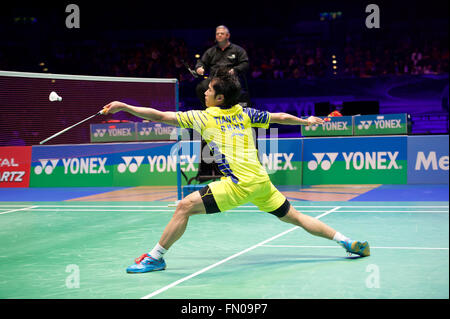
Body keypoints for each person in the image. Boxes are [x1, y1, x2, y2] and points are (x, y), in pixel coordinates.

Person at [102, 72, 370, 274]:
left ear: (219, 98)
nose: (204, 93)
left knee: (184, 207)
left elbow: (159, 116)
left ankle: (156, 258)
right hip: (261, 182)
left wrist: (124, 107)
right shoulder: (243, 113)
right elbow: (279, 117)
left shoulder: (202, 117)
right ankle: (348, 242)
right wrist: (306, 120)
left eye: (208, 90)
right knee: (297, 217)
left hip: (239, 184)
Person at [195, 25, 249, 107]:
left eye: (222, 33)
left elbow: (245, 63)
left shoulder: (238, 50)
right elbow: (201, 62)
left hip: (230, 78)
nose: (219, 35)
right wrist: (199, 67)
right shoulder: (211, 51)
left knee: (236, 89)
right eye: (217, 34)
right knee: (201, 87)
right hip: (214, 79)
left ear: (228, 35)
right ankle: (208, 109)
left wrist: (235, 70)